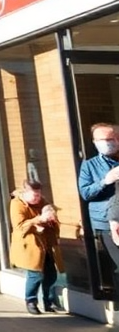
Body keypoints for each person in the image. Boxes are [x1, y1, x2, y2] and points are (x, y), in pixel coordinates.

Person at [9, 179, 63, 314]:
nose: (37, 198)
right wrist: (38, 220)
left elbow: (53, 220)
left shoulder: (43, 201)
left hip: (47, 243)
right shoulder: (17, 204)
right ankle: (31, 301)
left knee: (51, 274)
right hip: (31, 245)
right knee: (35, 275)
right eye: (34, 195)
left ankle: (48, 301)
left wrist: (52, 218)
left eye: (39, 195)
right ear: (25, 193)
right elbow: (19, 227)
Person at [78, 122, 119, 288]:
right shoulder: (90, 166)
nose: (108, 142)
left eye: (111, 138)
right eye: (103, 139)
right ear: (94, 142)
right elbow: (86, 193)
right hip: (107, 223)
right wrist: (105, 181)